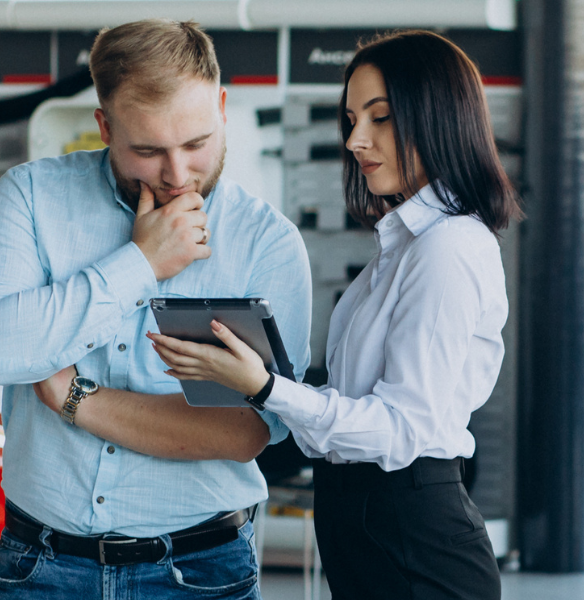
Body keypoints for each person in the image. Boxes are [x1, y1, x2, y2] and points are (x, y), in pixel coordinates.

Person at [150, 30, 518, 600]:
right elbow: (348, 418)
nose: (355, 140)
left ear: (440, 118)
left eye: (381, 118)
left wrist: (267, 387)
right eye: (351, 120)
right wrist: (252, 381)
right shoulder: (399, 247)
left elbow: (402, 428)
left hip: (414, 535)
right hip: (366, 524)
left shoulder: (448, 247)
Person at [0, 18, 310, 600]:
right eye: (147, 151)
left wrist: (76, 398)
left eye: (197, 144)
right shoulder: (28, 197)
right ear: (104, 126)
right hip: (38, 566)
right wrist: (143, 263)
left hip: (199, 573)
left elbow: (245, 429)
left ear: (222, 109)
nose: (177, 175)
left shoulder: (267, 243)